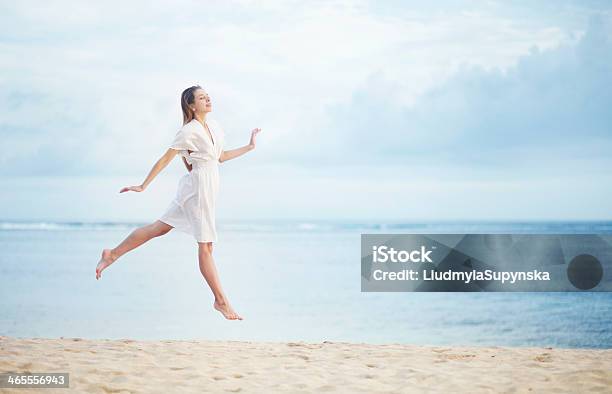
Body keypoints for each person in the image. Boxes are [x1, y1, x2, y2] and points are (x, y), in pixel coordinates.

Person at [95, 84, 261, 321]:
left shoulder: (214, 126)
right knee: (206, 246)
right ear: (191, 105)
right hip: (199, 188)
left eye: (207, 96)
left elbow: (220, 157)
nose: (207, 99)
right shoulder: (188, 131)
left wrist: (250, 146)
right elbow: (165, 159)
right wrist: (143, 185)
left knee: (159, 228)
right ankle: (220, 300)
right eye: (201, 98)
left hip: (205, 185)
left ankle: (112, 254)